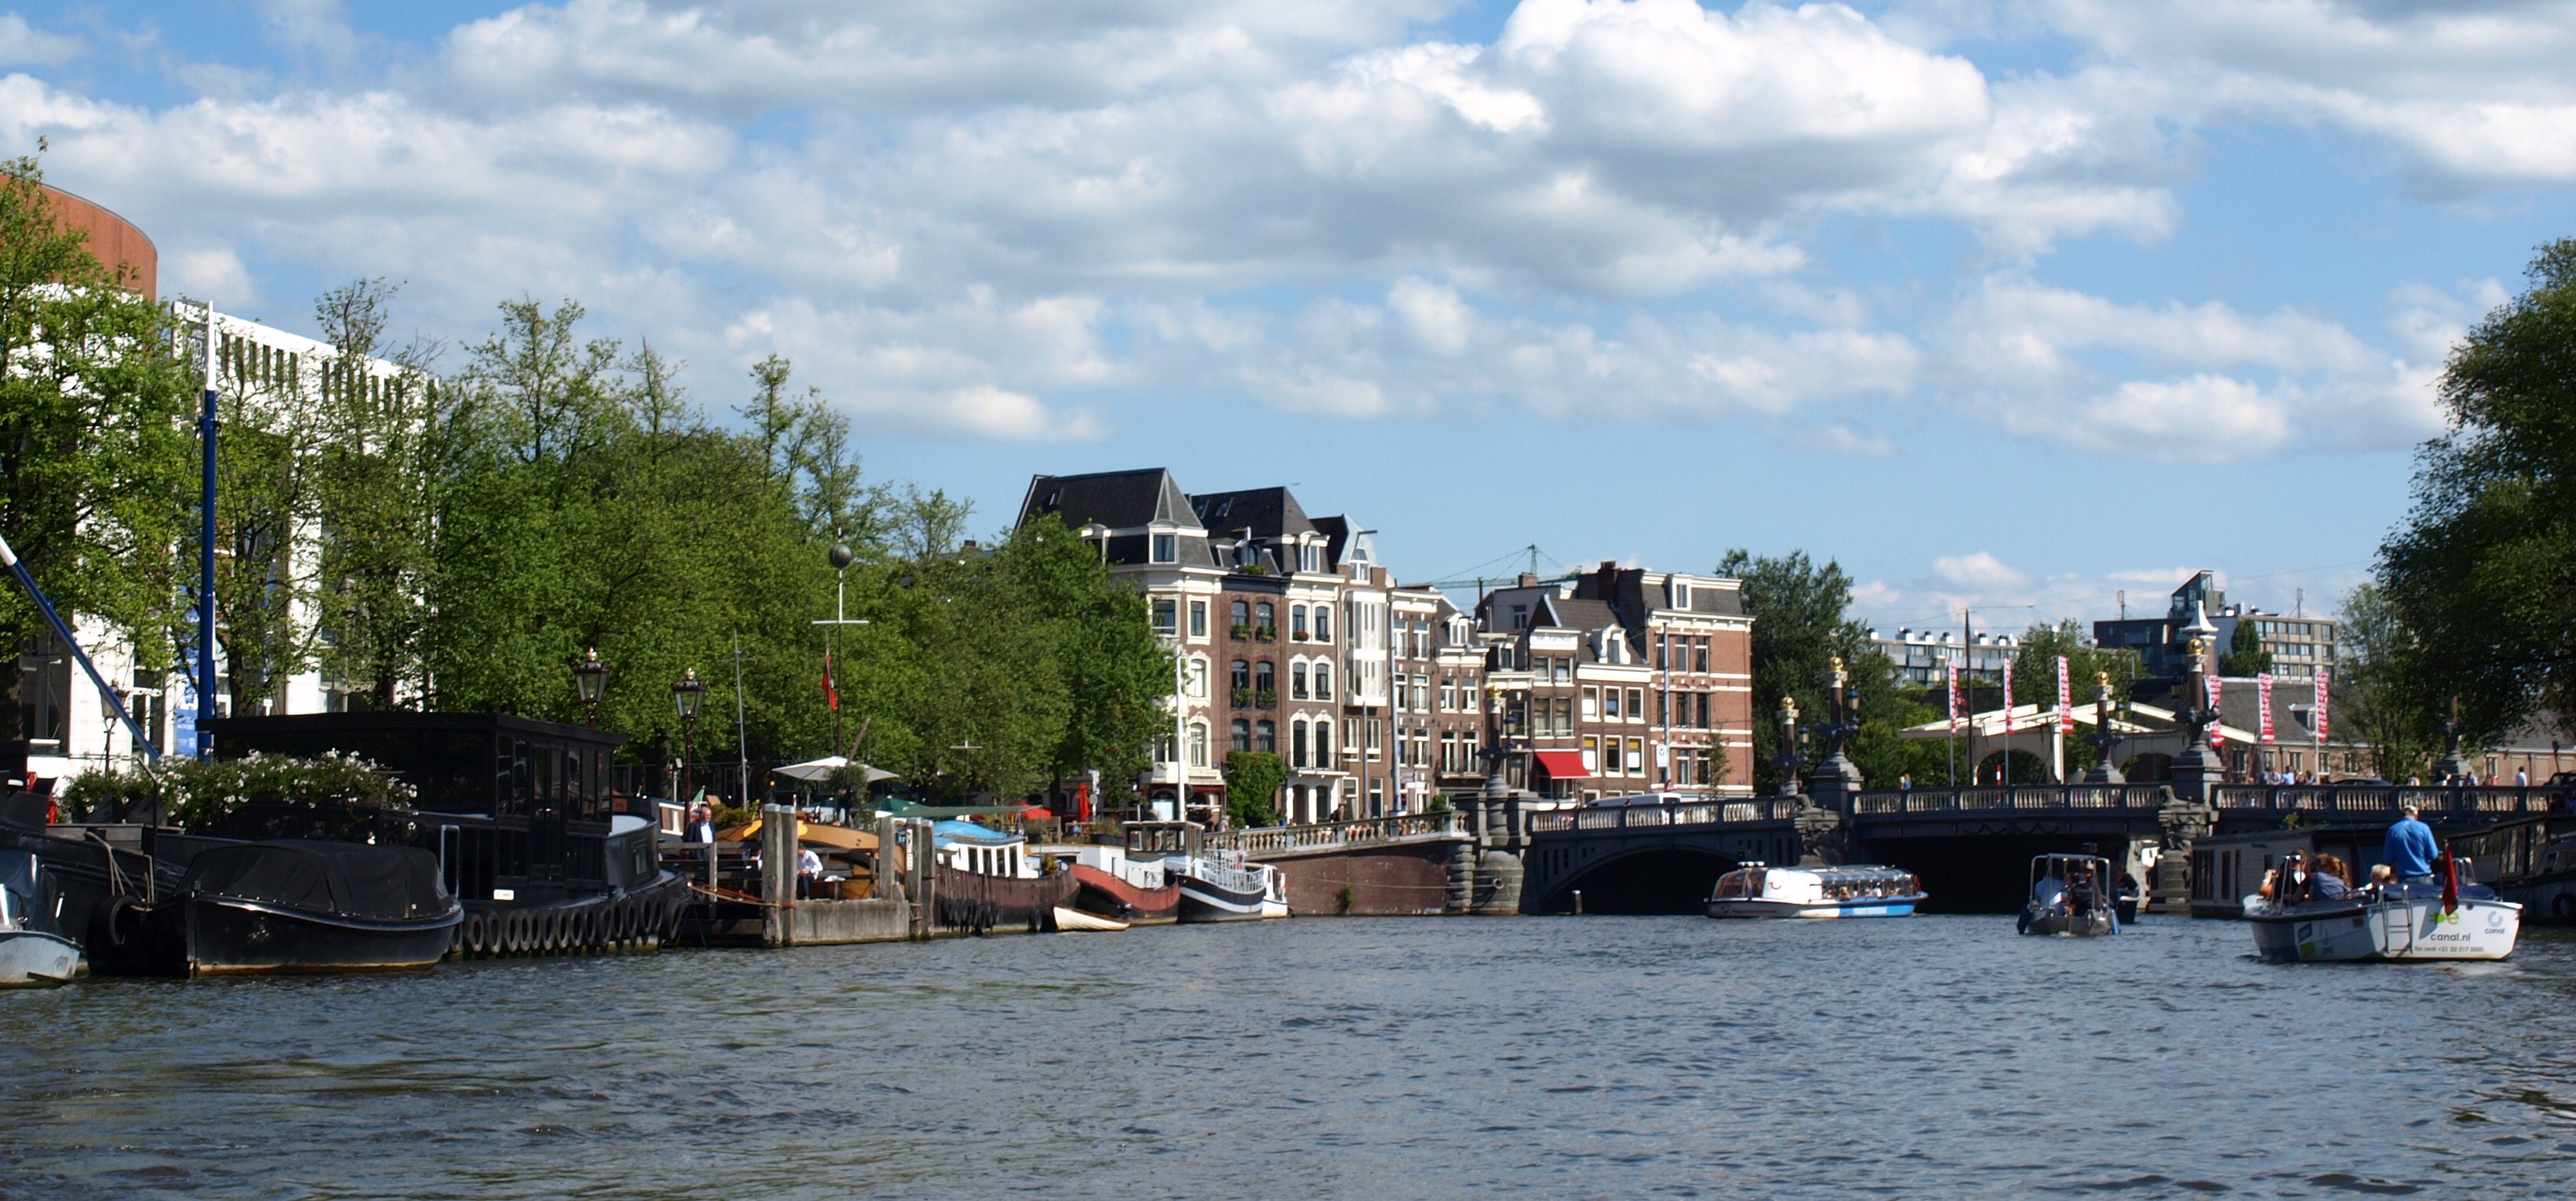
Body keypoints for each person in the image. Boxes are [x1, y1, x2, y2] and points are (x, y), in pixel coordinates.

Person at [2382, 803, 2439, 885]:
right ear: (2416, 815)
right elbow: (2433, 854)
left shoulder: (2393, 830)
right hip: (2424, 877)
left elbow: (2388, 858)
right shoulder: (2424, 828)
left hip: (2404, 877)